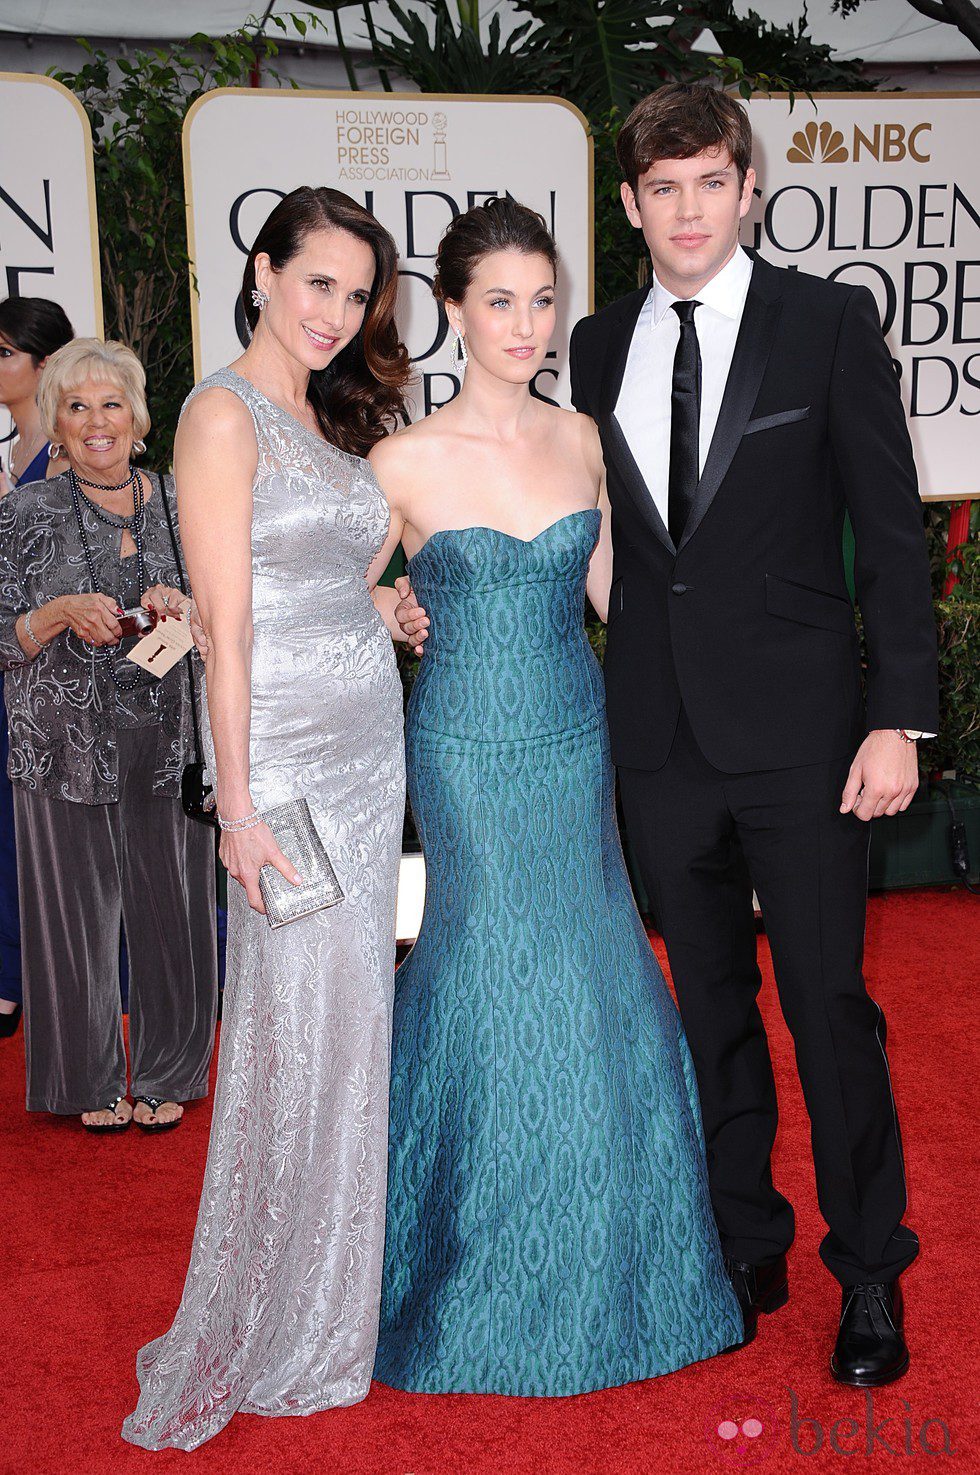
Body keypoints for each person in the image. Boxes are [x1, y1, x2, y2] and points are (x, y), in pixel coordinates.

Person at [568, 83, 938, 1388]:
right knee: (710, 1008)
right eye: (661, 189)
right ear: (630, 203)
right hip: (661, 735)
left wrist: (901, 715)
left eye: (708, 183)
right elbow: (613, 542)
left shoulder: (826, 323)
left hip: (805, 737)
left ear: (746, 187)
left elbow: (893, 539)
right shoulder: (598, 344)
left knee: (829, 1006)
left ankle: (872, 1271)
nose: (686, 210)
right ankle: (744, 1240)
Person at [369, 197, 741, 1398]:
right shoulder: (400, 460)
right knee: (486, 966)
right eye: (498, 302)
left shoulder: (584, 437)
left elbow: (621, 604)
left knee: (593, 972)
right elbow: (322, 592)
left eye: (541, 300)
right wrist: (374, 601)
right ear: (449, 309)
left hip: (573, 736)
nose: (523, 325)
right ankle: (458, 1268)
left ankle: (623, 1270)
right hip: (466, 748)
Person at [122, 186, 412, 1452]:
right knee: (292, 1037)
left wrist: (386, 611)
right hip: (285, 767)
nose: (334, 314)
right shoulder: (218, 414)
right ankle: (272, 1319)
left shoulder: (322, 409)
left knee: (353, 1030)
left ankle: (330, 1310)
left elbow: (337, 574)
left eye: (355, 296)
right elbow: (224, 635)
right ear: (261, 270)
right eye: (316, 284)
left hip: (370, 751)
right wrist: (234, 806)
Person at [0, 337, 217, 1130]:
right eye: (77, 405)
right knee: (73, 920)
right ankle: (83, 1080)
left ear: (140, 418)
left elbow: (227, 611)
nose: (97, 421)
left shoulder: (181, 501)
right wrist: (58, 613)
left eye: (111, 403)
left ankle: (171, 1069)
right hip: (62, 743)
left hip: (168, 736)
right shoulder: (22, 513)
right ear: (55, 423)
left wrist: (185, 605)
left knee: (175, 911)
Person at [0, 296, 74, 1037]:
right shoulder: (8, 455)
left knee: (40, 828)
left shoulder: (74, 452)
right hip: (7, 662)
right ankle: (8, 977)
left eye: (4, 353)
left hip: (57, 679)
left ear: (43, 363)